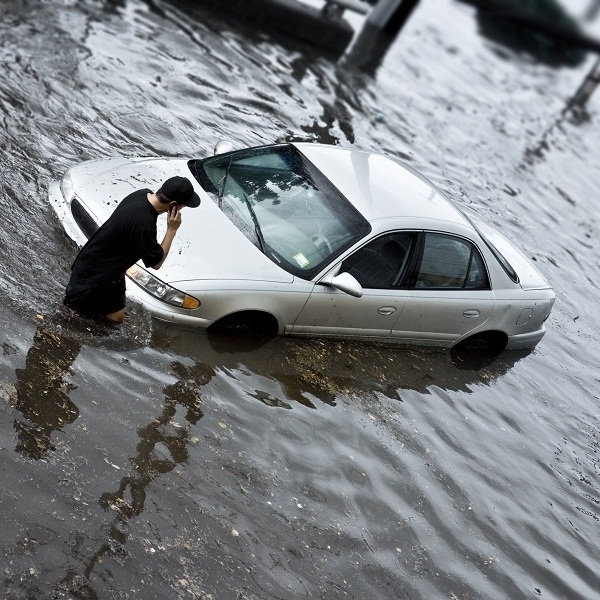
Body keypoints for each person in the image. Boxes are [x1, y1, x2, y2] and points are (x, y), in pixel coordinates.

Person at [64, 175, 200, 324]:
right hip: (92, 279)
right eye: (183, 206)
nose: (182, 209)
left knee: (116, 318)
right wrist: (171, 230)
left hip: (105, 270)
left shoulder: (141, 194)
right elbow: (156, 263)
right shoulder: (144, 223)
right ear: (173, 204)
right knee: (70, 320)